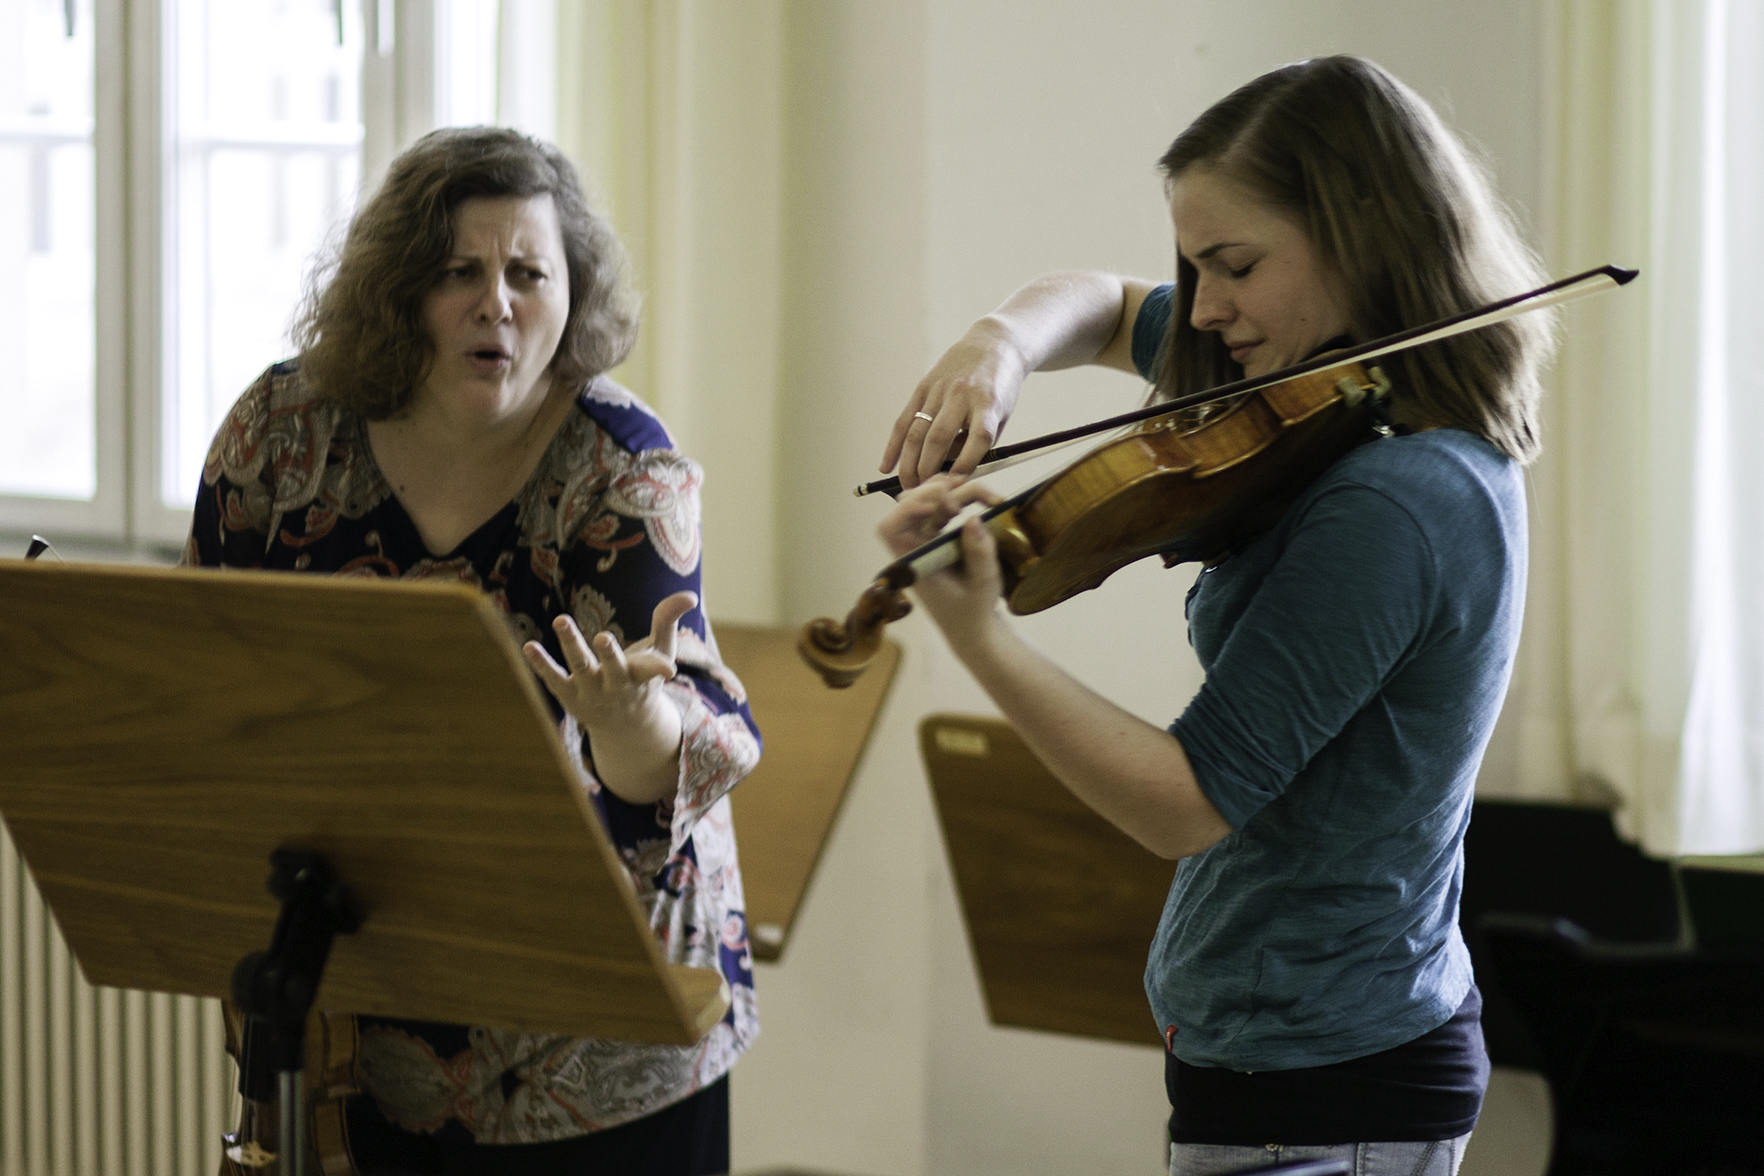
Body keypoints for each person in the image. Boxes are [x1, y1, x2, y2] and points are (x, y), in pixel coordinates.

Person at [875, 56, 1556, 1176]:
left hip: (1328, 1092)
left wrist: (980, 635)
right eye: (1191, 267)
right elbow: (1098, 302)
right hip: (1285, 1067)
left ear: (1360, 233)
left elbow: (1187, 802)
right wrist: (998, 344)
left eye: (1234, 265)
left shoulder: (1400, 499)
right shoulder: (1327, 397)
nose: (1204, 307)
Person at [183, 125, 760, 1175]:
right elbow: (205, 679)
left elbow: (678, 760)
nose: (498, 301)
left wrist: (630, 723)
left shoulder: (627, 469)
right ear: (401, 291)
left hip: (603, 1047)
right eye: (461, 272)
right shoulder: (281, 431)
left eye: (529, 274)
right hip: (360, 1021)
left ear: (569, 299)